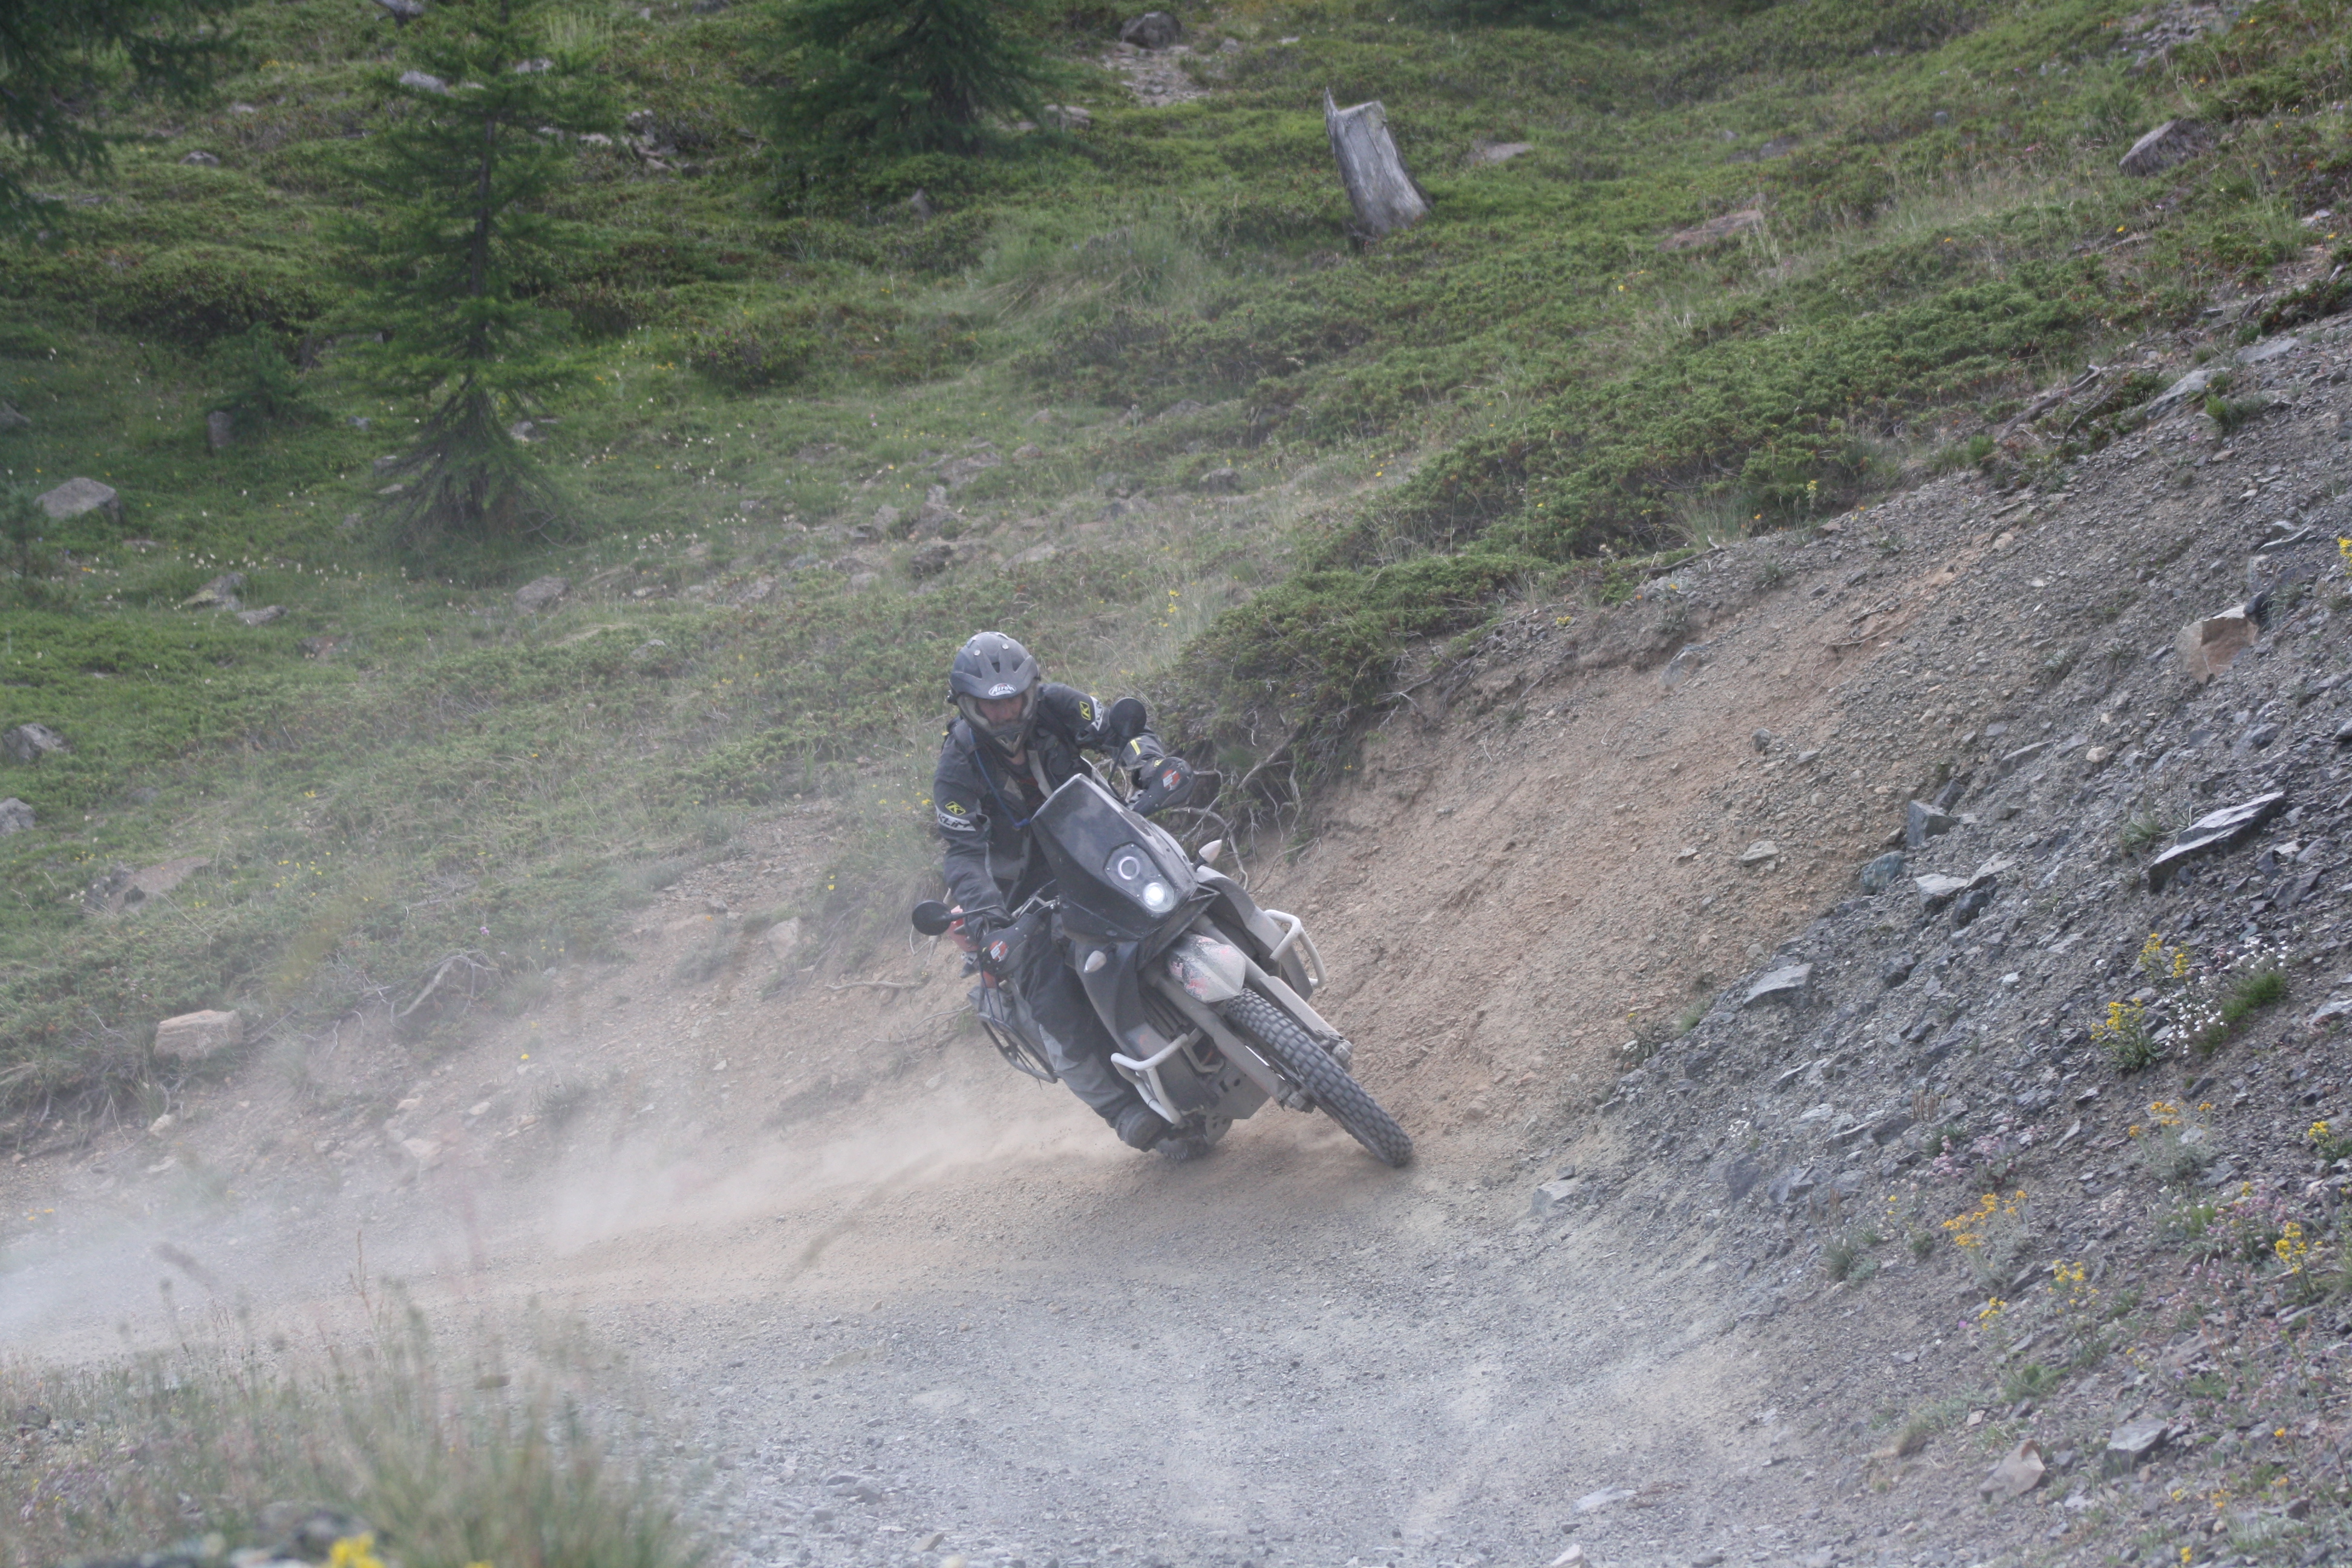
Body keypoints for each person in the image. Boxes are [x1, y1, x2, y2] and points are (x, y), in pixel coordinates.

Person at [932, 631, 1195, 1151]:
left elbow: (1121, 731)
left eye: (1013, 700)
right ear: (968, 705)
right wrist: (990, 919)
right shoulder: (957, 764)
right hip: (1026, 892)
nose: (1005, 713)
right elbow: (962, 854)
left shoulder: (1058, 705)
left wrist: (1149, 764)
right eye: (992, 705)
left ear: (1031, 691)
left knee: (1194, 880)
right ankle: (1121, 1107)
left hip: (1103, 841)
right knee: (1049, 992)